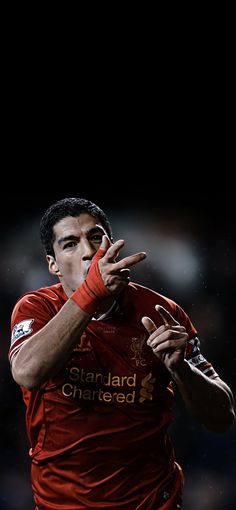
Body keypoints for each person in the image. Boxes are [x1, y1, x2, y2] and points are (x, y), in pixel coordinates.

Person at [9, 197, 234, 510]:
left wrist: (183, 371)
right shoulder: (37, 308)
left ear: (111, 245)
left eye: (96, 237)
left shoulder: (161, 312)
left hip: (151, 501)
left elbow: (223, 417)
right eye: (71, 244)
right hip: (62, 503)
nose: (88, 251)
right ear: (53, 264)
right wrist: (92, 294)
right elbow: (27, 373)